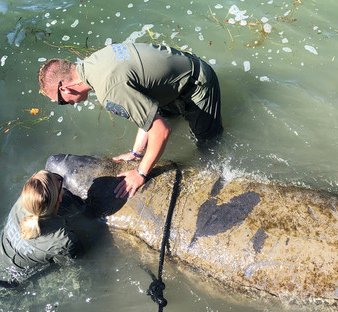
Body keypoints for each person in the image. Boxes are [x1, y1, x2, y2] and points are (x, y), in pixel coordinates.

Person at [37, 43, 223, 199]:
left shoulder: (110, 92)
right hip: (177, 75)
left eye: (61, 102)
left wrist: (140, 173)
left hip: (197, 84)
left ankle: (220, 178)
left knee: (209, 146)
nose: (68, 105)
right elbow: (145, 110)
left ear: (66, 89)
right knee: (158, 121)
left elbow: (162, 131)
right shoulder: (96, 61)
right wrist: (136, 152)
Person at [0, 170, 81, 287]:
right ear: (59, 198)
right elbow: (71, 261)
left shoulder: (22, 201)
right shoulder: (63, 239)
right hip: (7, 281)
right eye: (59, 180)